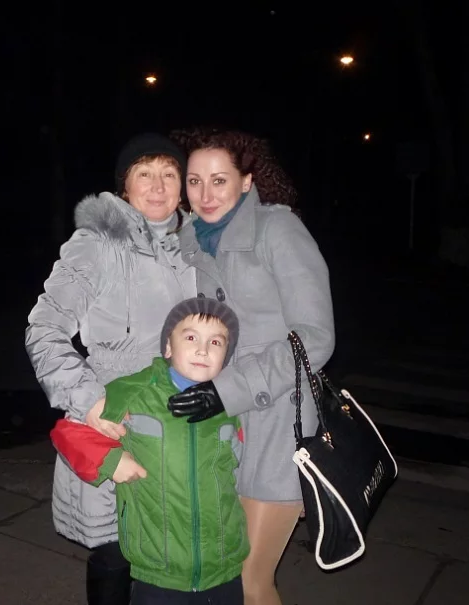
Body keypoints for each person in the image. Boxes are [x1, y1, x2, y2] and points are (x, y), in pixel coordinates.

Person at [25, 133, 196, 605]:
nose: (158, 186)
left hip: (184, 427)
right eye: (145, 173)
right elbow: (44, 329)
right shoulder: (98, 244)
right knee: (116, 553)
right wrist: (88, 399)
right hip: (117, 422)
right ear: (125, 186)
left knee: (176, 555)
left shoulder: (199, 246)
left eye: (169, 174)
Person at [167, 128, 336, 605]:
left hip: (280, 423)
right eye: (195, 181)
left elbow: (315, 337)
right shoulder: (188, 241)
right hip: (224, 431)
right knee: (223, 574)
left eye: (219, 180)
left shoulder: (277, 230)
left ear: (246, 181)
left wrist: (228, 390)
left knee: (249, 580)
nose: (205, 194)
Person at [50, 297, 247, 605]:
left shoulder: (231, 404)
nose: (203, 350)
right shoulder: (135, 391)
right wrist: (110, 460)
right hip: (157, 568)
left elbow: (243, 465)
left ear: (226, 355)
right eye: (191, 337)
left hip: (224, 566)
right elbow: (68, 431)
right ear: (168, 347)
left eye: (216, 342)